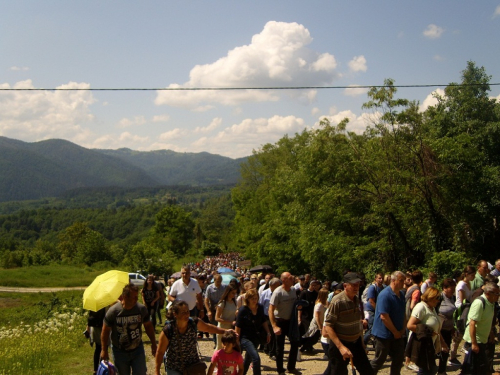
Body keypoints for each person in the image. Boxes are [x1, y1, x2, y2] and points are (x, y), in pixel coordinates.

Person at [154, 300, 235, 375]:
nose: (186, 315)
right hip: (174, 368)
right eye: (183, 312)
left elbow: (208, 328)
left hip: (193, 366)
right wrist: (157, 371)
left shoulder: (193, 323)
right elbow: (160, 352)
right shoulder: (168, 330)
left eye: (187, 312)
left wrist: (226, 331)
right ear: (175, 314)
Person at [101, 283, 157, 375]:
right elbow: (105, 330)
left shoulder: (141, 309)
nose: (136, 299)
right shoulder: (114, 311)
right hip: (119, 351)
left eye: (137, 296)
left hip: (137, 349)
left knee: (141, 372)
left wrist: (154, 343)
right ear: (125, 297)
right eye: (133, 297)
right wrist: (104, 350)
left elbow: (148, 326)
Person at [323, 272, 374, 375]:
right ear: (345, 286)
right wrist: (341, 347)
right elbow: (328, 326)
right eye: (353, 285)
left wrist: (362, 344)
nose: (356, 287)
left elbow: (357, 323)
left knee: (368, 372)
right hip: (340, 345)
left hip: (356, 343)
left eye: (358, 284)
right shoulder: (337, 301)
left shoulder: (356, 299)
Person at [370, 271, 406, 375]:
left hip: (398, 334)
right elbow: (384, 317)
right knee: (379, 360)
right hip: (384, 334)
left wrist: (403, 328)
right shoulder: (385, 295)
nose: (403, 283)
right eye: (401, 280)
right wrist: (395, 332)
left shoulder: (401, 295)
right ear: (393, 281)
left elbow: (403, 313)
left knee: (398, 359)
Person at [406, 287, 447, 375]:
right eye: (437, 298)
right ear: (430, 297)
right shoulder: (421, 307)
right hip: (422, 344)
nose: (438, 301)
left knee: (429, 370)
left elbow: (437, 328)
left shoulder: (432, 308)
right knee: (426, 369)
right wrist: (427, 332)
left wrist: (442, 343)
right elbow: (410, 325)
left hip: (430, 345)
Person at [460, 283, 500, 374]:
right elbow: (472, 323)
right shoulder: (479, 303)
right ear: (489, 293)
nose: (498, 296)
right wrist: (474, 343)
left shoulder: (491, 303)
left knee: (479, 369)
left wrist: (491, 334)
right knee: (472, 369)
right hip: (475, 341)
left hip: (482, 340)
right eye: (497, 293)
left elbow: (487, 321)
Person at [269, 272, 300, 375]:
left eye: (292, 277)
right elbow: (271, 309)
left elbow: (294, 303)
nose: (292, 279)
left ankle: (291, 367)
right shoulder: (278, 292)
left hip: (290, 322)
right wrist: (274, 326)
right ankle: (280, 370)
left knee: (295, 343)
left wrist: (299, 307)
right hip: (280, 321)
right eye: (290, 278)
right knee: (280, 347)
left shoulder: (293, 290)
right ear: (284, 280)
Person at [235, 289, 271, 375]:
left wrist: (268, 332)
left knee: (248, 359)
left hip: (256, 336)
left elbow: (263, 320)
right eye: (252, 299)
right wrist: (236, 341)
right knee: (256, 358)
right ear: (248, 299)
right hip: (245, 337)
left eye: (256, 298)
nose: (255, 300)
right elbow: (238, 326)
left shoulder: (260, 307)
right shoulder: (243, 310)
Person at [449, 265, 476, 366]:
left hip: (467, 310)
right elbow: (462, 301)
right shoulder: (461, 285)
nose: (473, 277)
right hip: (461, 311)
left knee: (461, 334)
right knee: (458, 334)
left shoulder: (468, 284)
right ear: (466, 274)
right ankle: (452, 357)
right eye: (472, 275)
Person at [301, 288, 329, 357]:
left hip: (321, 323)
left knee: (315, 339)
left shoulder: (324, 303)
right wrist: (320, 327)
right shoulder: (319, 305)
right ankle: (300, 350)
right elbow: (317, 316)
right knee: (313, 339)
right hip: (316, 324)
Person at [436, 278, 456, 374]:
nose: (453, 291)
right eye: (451, 289)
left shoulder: (452, 298)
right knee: (438, 351)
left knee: (445, 351)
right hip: (439, 329)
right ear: (444, 288)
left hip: (448, 328)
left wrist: (453, 328)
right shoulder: (439, 297)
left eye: (454, 289)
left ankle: (442, 371)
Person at [259, 277, 281, 359]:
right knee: (270, 333)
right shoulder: (264, 293)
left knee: (275, 334)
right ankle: (269, 350)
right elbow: (260, 304)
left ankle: (272, 351)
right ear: (271, 285)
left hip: (276, 316)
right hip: (266, 316)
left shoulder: (279, 293)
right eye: (276, 286)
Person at [298, 279, 321, 352]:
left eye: (315, 285)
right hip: (305, 315)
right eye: (312, 285)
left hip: (313, 315)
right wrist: (299, 317)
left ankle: (309, 345)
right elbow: (300, 306)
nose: (314, 287)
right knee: (307, 331)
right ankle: (305, 346)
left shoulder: (316, 294)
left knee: (314, 332)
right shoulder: (304, 293)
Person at [363, 273, 385, 346]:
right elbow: (371, 301)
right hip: (372, 310)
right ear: (375, 279)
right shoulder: (372, 288)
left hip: (380, 310)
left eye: (382, 278)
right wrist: (378, 311)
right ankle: (362, 343)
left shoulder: (384, 287)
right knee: (371, 329)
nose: (381, 280)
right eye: (379, 278)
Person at [205, 274, 227, 346]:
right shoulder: (209, 288)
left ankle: (222, 341)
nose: (219, 283)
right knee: (214, 326)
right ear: (214, 281)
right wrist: (208, 311)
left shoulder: (224, 287)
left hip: (222, 308)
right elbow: (206, 300)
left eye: (220, 281)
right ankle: (216, 342)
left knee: (221, 325)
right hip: (213, 309)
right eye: (217, 281)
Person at [216, 283, 238, 350]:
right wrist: (230, 322)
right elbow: (217, 318)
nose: (234, 295)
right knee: (220, 348)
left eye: (235, 293)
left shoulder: (234, 302)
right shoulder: (222, 303)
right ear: (228, 292)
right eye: (232, 293)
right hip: (222, 328)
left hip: (231, 329)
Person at [86, 307, 107, 375]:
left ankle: (96, 370)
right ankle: (102, 368)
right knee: (103, 348)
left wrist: (88, 329)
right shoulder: (104, 304)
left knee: (98, 348)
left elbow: (90, 317)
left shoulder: (94, 304)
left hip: (95, 327)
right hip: (101, 327)